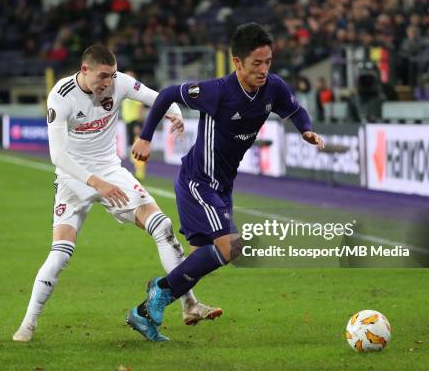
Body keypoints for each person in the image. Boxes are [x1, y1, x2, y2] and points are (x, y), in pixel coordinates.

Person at [126, 23, 324, 340]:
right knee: (232, 247)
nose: (263, 70)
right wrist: (146, 137)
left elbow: (295, 110)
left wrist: (306, 130)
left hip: (222, 186)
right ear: (237, 62)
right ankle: (161, 290)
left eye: (268, 62)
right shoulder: (217, 91)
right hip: (198, 182)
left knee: (201, 258)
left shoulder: (273, 88)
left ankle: (145, 313)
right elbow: (166, 95)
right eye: (256, 63)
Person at [12, 45, 220, 343]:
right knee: (60, 254)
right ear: (85, 70)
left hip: (111, 171)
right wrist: (95, 183)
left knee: (162, 226)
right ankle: (28, 324)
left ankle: (189, 304)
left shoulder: (119, 82)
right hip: (74, 178)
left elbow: (157, 98)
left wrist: (173, 113)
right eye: (103, 76)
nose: (108, 83)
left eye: (112, 76)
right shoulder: (61, 95)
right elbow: (58, 155)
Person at [120, 70, 146, 180]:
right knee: (133, 147)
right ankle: (137, 170)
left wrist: (138, 124)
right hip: (128, 122)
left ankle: (140, 172)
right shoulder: (125, 92)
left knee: (138, 147)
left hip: (135, 122)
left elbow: (141, 107)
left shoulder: (136, 90)